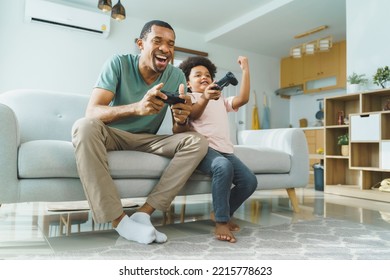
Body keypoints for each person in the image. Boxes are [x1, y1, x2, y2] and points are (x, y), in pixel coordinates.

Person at [71, 20, 208, 244]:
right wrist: (136, 108)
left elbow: (177, 129)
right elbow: (92, 112)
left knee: (197, 141)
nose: (166, 48)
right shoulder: (118, 63)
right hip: (112, 135)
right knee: (83, 126)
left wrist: (182, 118)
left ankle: (144, 214)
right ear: (140, 44)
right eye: (157, 41)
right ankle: (120, 222)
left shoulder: (176, 76)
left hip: (147, 140)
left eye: (171, 44)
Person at [179, 56, 257, 243]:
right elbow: (194, 114)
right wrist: (205, 96)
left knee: (249, 181)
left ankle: (221, 212)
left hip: (225, 150)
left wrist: (245, 70)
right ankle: (222, 221)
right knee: (222, 166)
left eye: (207, 75)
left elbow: (243, 98)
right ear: (188, 83)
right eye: (197, 75)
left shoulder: (220, 99)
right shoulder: (189, 98)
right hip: (203, 150)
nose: (204, 77)